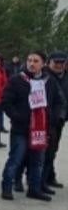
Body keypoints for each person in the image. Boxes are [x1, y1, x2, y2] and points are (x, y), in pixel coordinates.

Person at [0, 51, 59, 201]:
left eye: (36, 61)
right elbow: (6, 101)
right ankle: (6, 187)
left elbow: (58, 101)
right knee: (16, 158)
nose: (32, 64)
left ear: (43, 64)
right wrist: (17, 116)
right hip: (21, 129)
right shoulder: (17, 80)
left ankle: (34, 189)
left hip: (41, 129)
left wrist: (52, 119)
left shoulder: (49, 81)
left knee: (37, 161)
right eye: (29, 60)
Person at [42, 51, 68, 191]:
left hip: (59, 120)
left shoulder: (65, 77)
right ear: (49, 62)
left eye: (61, 62)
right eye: (55, 62)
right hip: (44, 120)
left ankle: (49, 177)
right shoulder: (44, 76)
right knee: (43, 150)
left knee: (53, 150)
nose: (58, 65)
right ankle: (38, 178)